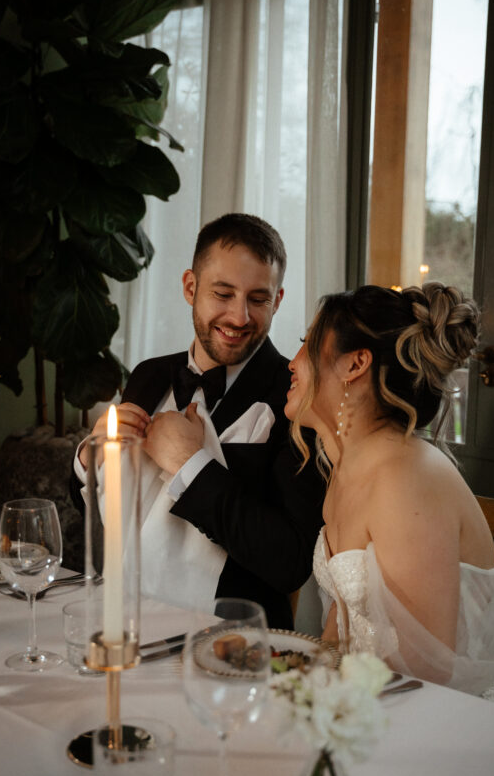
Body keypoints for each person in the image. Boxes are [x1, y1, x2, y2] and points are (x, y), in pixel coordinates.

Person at [284, 281, 494, 712]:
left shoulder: (405, 478)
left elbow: (430, 669)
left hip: (452, 714)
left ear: (355, 364)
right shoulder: (347, 464)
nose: (291, 363)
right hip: (377, 697)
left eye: (306, 345)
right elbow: (346, 618)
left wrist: (331, 712)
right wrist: (304, 681)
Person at [71, 213, 324, 629]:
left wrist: (192, 464)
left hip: (237, 641)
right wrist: (90, 453)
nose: (239, 317)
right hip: (124, 616)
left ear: (277, 301)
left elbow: (290, 563)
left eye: (258, 299)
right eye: (223, 294)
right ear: (191, 287)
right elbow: (101, 501)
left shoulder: (296, 398)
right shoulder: (149, 375)